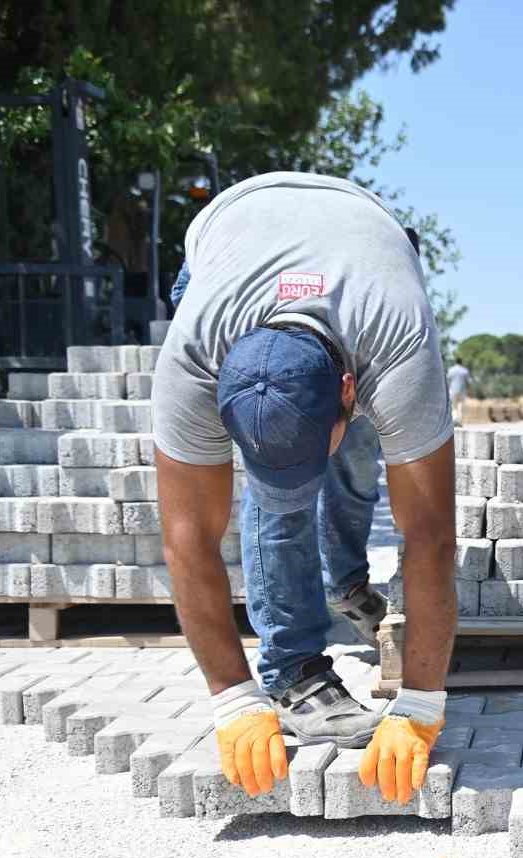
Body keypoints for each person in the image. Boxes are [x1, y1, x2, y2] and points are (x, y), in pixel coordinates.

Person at [154, 172, 459, 805]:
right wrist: (233, 695)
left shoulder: (398, 341)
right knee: (278, 509)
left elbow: (428, 534)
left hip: (366, 239)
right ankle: (292, 671)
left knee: (365, 457)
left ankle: (342, 582)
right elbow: (189, 539)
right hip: (224, 238)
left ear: (353, 388)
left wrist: (421, 703)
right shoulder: (193, 358)